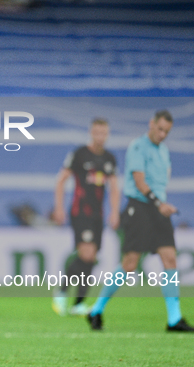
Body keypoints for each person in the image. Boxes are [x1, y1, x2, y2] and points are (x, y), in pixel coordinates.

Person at [87, 110, 194, 332]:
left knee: (170, 258)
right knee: (130, 264)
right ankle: (96, 309)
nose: (162, 134)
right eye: (160, 129)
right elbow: (139, 182)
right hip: (139, 209)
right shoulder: (138, 147)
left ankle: (174, 319)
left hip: (159, 210)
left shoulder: (164, 151)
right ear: (151, 124)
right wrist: (160, 204)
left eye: (166, 131)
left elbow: (161, 182)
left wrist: (161, 205)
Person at [51, 118, 120, 316]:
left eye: (104, 133)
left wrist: (114, 211)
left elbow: (114, 187)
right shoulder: (80, 154)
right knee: (86, 253)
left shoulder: (109, 158)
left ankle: (78, 303)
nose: (100, 137)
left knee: (91, 257)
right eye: (97, 132)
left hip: (98, 215)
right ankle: (62, 292)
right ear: (91, 133)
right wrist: (59, 207)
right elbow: (61, 180)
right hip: (81, 211)